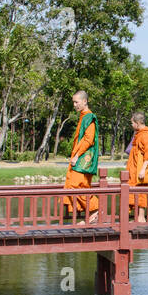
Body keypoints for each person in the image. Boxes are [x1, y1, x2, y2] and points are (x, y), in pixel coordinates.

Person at [64, 90, 100, 224]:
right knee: (81, 185)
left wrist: (77, 155)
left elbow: (88, 140)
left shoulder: (89, 117)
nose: (74, 105)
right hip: (80, 158)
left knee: (75, 185)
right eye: (73, 102)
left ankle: (96, 210)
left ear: (85, 101)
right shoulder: (83, 117)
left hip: (83, 158)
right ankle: (91, 216)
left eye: (76, 102)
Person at [125, 111, 148, 222]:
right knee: (137, 193)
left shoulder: (146, 135)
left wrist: (143, 169)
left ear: (137, 122)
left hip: (141, 171)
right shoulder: (139, 134)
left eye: (132, 123)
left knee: (140, 194)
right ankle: (142, 215)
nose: (131, 125)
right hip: (135, 170)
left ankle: (141, 218)